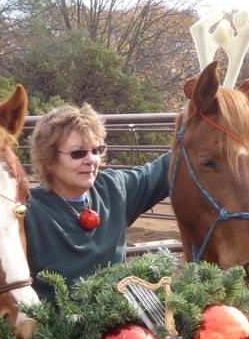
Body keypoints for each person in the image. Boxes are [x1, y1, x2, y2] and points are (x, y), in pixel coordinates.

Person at [25, 103, 171, 302]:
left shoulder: (113, 189)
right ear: (48, 159)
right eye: (78, 153)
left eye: (96, 150)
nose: (91, 160)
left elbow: (165, 168)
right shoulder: (28, 212)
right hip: (57, 328)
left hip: (119, 321)